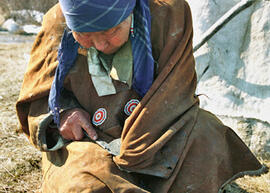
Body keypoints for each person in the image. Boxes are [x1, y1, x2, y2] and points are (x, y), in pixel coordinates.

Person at [16, 0, 267, 192]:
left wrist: (134, 150)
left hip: (160, 129)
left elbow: (177, 88)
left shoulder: (167, 12)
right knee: (86, 185)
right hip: (89, 142)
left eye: (111, 31)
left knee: (206, 135)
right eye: (85, 36)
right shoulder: (57, 23)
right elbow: (38, 95)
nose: (101, 45)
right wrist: (64, 113)